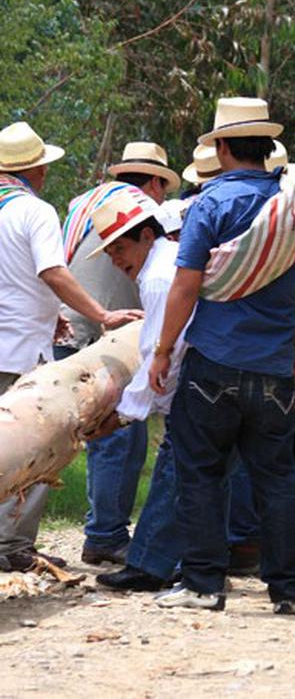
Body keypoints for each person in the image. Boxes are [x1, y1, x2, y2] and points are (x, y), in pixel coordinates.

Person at [148, 97, 295, 614]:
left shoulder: (209, 205)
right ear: (267, 148)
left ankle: (203, 583)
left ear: (221, 147)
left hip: (215, 364)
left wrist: (162, 351)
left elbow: (185, 287)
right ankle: (289, 589)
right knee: (276, 477)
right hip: (273, 365)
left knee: (201, 472)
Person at [0, 121, 142, 573]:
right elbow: (51, 272)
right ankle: (11, 545)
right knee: (40, 444)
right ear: (36, 169)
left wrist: (51, 310)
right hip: (20, 348)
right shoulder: (33, 211)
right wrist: (101, 315)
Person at [58, 141, 181, 567]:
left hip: (70, 330)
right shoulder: (141, 209)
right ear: (152, 182)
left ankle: (104, 529)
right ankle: (106, 533)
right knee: (118, 434)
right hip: (111, 334)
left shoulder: (84, 203)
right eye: (161, 186)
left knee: (101, 433)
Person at [81, 188, 191, 593]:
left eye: (121, 248)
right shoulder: (161, 268)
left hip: (196, 382)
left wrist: (124, 413)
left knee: (175, 470)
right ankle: (178, 562)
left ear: (148, 236)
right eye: (110, 253)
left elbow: (161, 353)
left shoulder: (161, 278)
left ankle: (150, 565)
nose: (117, 261)